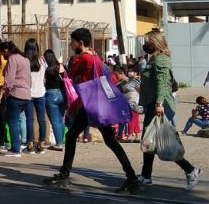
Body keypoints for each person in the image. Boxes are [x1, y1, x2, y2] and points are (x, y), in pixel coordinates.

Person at [44, 28, 141, 192]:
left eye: (72, 42)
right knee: (109, 140)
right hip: (96, 103)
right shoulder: (96, 57)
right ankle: (132, 178)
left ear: (80, 43)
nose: (71, 45)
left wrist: (70, 63)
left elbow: (71, 74)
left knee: (72, 136)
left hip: (90, 105)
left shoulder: (84, 58)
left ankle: (64, 175)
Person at [139, 29, 202, 190]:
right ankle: (146, 176)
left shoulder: (161, 60)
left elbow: (162, 84)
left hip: (160, 105)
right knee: (149, 141)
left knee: (164, 142)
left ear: (155, 43)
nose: (145, 45)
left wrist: (159, 104)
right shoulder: (155, 59)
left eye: (147, 42)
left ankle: (191, 170)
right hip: (154, 103)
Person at [2, 41, 32, 157]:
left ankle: (15, 149)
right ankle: (24, 143)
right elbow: (28, 78)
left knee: (13, 121)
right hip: (26, 94)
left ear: (6, 50)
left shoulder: (13, 58)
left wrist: (4, 91)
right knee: (23, 120)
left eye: (2, 52)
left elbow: (9, 79)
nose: (3, 55)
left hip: (15, 93)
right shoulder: (25, 59)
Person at [24, 38, 48, 154]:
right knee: (41, 119)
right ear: (37, 48)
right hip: (41, 93)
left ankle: (29, 143)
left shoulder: (25, 62)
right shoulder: (42, 61)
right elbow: (44, 77)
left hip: (28, 94)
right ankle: (41, 143)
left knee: (29, 119)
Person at [42, 49, 66, 151]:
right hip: (62, 94)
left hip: (51, 94)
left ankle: (59, 144)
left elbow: (44, 83)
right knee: (60, 119)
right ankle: (61, 141)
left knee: (54, 121)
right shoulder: (61, 66)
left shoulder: (48, 70)